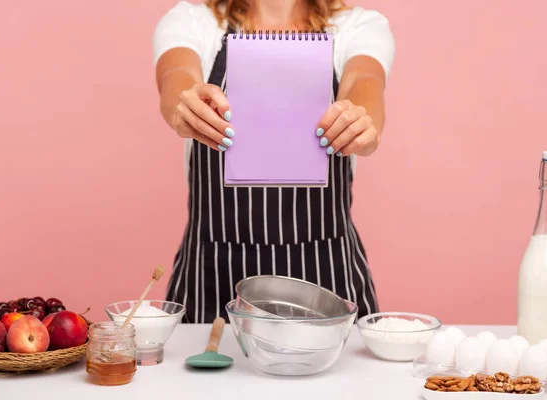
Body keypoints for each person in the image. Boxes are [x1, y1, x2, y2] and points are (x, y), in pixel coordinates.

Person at [153, 0, 395, 323]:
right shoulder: (193, 22)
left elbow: (364, 82)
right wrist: (185, 104)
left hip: (327, 279)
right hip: (210, 280)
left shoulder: (357, 27)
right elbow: (176, 76)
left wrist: (363, 122)